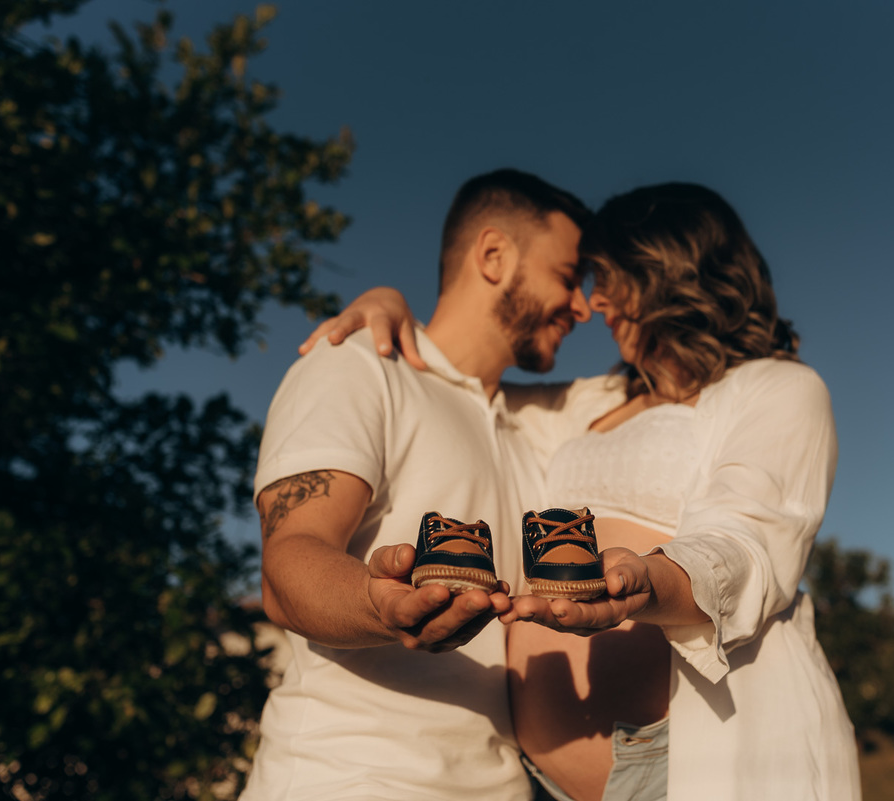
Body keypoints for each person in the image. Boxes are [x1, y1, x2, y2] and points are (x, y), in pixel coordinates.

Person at [310, 183, 861, 800]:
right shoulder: (589, 404)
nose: (594, 303)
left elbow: (749, 537)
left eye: (608, 277)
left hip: (678, 758)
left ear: (667, 268)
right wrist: (391, 308)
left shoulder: (775, 387)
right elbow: (457, 378)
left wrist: (648, 583)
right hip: (539, 783)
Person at [241, 169, 605, 801]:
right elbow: (287, 564)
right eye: (569, 277)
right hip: (348, 782)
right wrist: (382, 606)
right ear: (493, 255)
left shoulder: (540, 424)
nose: (583, 306)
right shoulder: (356, 363)